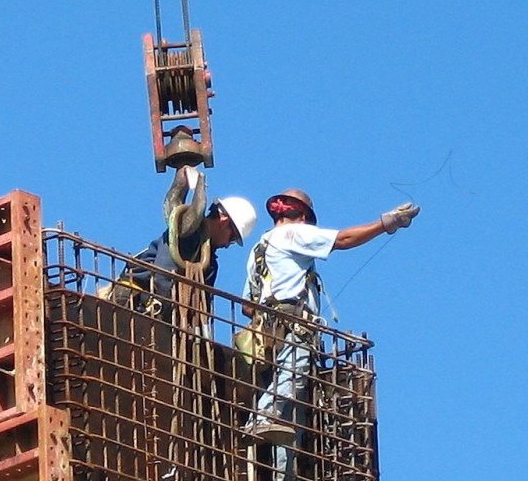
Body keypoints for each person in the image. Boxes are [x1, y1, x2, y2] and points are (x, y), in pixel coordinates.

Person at [241, 188, 420, 480]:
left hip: (267, 332)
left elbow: (248, 305)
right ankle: (259, 419)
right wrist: (387, 223)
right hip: (295, 326)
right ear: (301, 216)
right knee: (289, 381)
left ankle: (281, 473)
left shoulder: (258, 250)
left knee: (288, 419)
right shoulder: (293, 235)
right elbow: (343, 239)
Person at [110, 166, 257, 315]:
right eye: (232, 238)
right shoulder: (188, 233)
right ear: (224, 222)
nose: (227, 245)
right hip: (136, 298)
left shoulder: (210, 264)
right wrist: (161, 307)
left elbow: (202, 306)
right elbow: (164, 270)